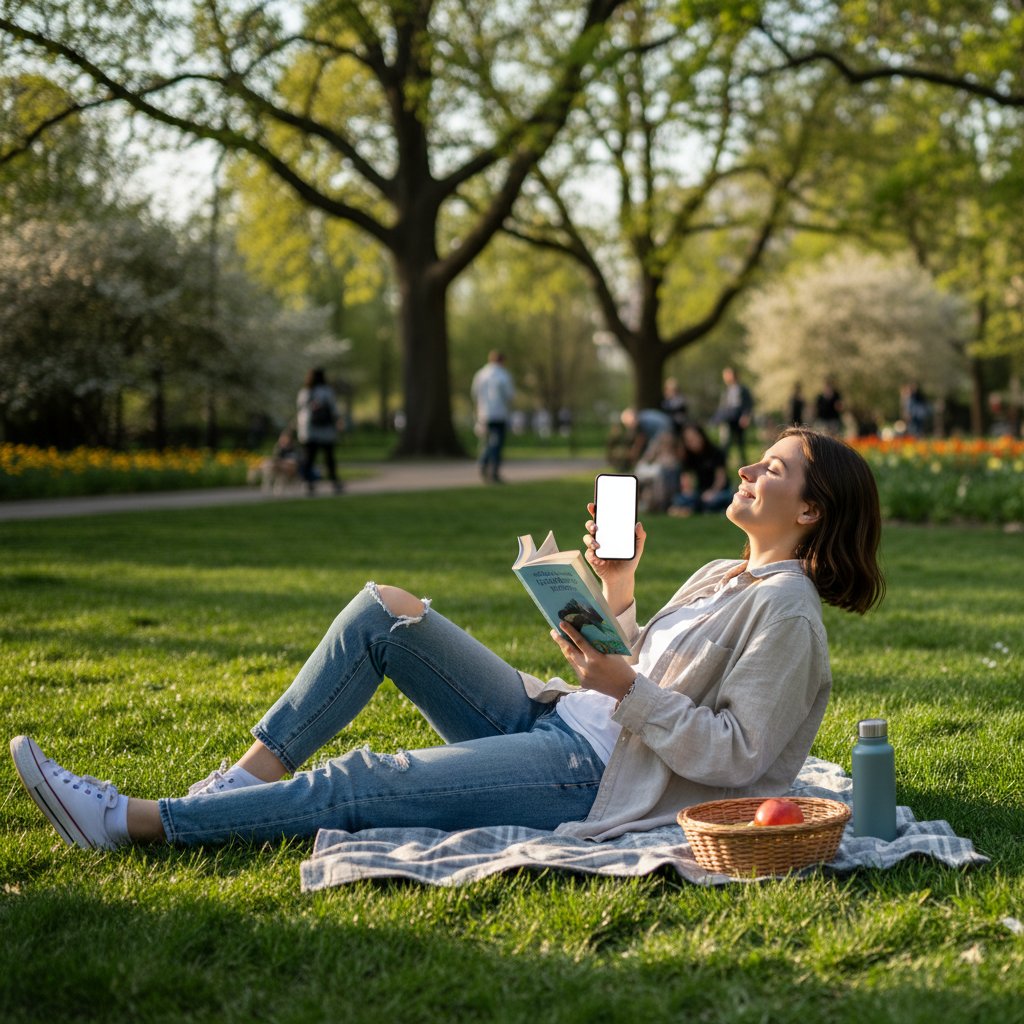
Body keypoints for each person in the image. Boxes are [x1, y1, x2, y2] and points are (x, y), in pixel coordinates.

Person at [10, 428, 885, 852]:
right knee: (384, 610)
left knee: (370, 779)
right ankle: (236, 782)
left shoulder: (789, 612)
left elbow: (740, 756)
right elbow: (645, 665)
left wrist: (624, 689)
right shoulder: (720, 573)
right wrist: (612, 591)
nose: (747, 469)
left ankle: (137, 823)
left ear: (810, 509)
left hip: (594, 775)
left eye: (772, 467)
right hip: (562, 721)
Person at [668, 423, 734, 517]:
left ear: (701, 435)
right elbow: (686, 480)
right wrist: (688, 492)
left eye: (694, 437)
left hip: (719, 491)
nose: (692, 442)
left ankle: (692, 509)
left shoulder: (716, 453)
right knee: (679, 499)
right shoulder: (688, 456)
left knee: (718, 500)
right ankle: (694, 508)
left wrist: (712, 492)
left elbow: (721, 479)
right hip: (700, 492)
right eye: (688, 440)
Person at [296, 368, 343, 495]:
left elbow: (300, 408)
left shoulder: (305, 392)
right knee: (329, 457)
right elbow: (333, 409)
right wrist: (338, 421)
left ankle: (307, 482)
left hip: (308, 430)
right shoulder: (327, 391)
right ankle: (334, 482)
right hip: (326, 429)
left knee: (309, 458)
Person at [471, 351, 515, 483]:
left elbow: (474, 393)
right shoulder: (503, 375)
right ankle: (494, 471)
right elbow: (509, 395)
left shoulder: (481, 374)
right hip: (499, 414)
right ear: (502, 361)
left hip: (484, 413)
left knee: (487, 442)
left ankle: (483, 464)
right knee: (497, 443)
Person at [714, 366, 754, 465]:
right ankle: (723, 464)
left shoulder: (743, 390)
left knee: (741, 443)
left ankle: (743, 464)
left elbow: (748, 404)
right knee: (725, 442)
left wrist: (745, 416)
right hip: (727, 419)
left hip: (739, 419)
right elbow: (722, 407)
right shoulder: (725, 391)